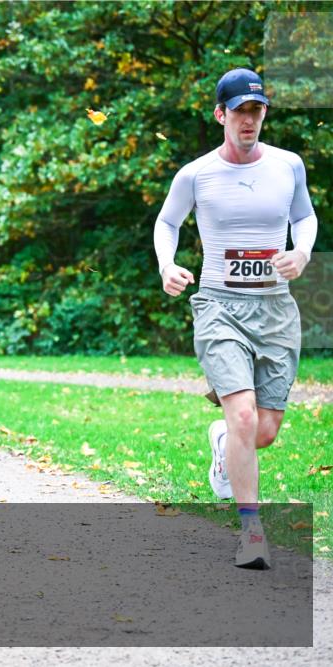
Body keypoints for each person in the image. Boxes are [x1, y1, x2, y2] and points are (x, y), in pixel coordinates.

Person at [153, 68, 318, 570]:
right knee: (243, 413)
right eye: (240, 111)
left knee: (262, 430)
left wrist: (303, 252)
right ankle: (251, 531)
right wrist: (167, 264)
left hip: (275, 310)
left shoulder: (288, 166)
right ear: (221, 114)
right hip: (220, 305)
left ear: (264, 113)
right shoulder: (196, 174)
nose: (249, 121)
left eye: (257, 111)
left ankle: (223, 444)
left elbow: (303, 217)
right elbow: (167, 222)